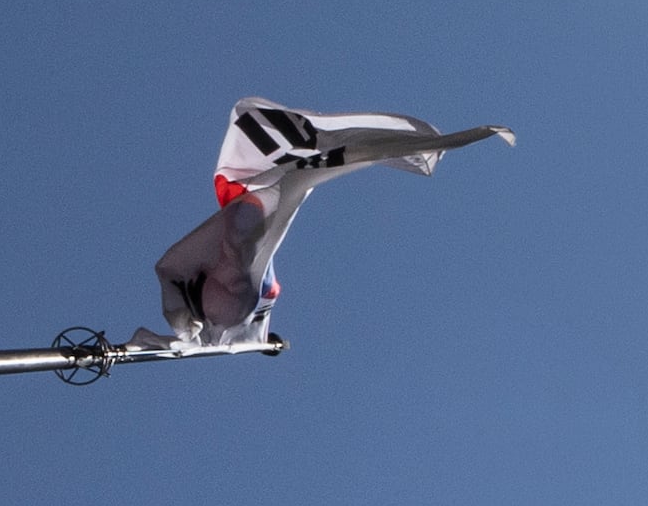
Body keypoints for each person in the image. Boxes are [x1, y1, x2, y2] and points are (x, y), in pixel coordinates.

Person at [144, 100, 510, 352]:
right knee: (256, 219)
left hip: (239, 278)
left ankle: (233, 311)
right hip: (237, 286)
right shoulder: (214, 260)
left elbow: (288, 186)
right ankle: (231, 312)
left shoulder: (235, 235)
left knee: (263, 209)